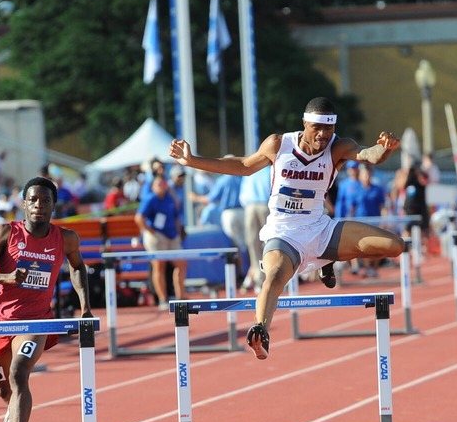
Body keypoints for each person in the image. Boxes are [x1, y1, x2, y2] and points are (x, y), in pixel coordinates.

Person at [169, 97, 405, 360]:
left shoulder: (338, 147)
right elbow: (244, 166)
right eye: (317, 128)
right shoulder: (279, 144)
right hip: (283, 231)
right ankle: (261, 329)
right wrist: (193, 161)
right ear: (304, 123)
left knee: (395, 246)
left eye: (328, 129)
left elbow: (367, 155)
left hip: (319, 228)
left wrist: (385, 149)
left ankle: (326, 258)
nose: (323, 135)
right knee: (274, 277)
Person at [0, 177, 92, 422]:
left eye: (45, 200)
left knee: (19, 372)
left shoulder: (66, 239)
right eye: (34, 200)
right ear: (24, 203)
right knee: (4, 388)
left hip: (36, 321)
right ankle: (11, 409)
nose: (39, 205)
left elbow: (77, 266)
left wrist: (85, 307)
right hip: (0, 321)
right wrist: (7, 278)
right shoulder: (5, 233)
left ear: (53, 205)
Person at [134, 174, 186, 307]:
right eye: (159, 184)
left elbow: (176, 216)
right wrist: (152, 233)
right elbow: (139, 218)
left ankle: (181, 297)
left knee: (182, 264)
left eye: (164, 184)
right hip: (157, 235)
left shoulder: (170, 198)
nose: (163, 187)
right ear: (153, 187)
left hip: (172, 235)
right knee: (159, 266)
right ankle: (163, 299)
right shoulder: (150, 199)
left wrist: (179, 232)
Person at [238, 162, 271, 290]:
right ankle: (266, 278)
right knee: (267, 243)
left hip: (250, 207)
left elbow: (243, 194)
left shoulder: (250, 170)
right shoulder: (270, 169)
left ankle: (260, 280)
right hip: (264, 206)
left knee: (254, 244)